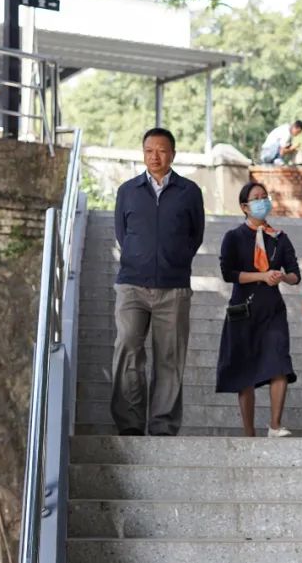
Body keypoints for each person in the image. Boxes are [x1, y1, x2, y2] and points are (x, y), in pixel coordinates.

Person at [110, 127, 205, 436]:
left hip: (173, 287)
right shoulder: (128, 190)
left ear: (172, 154)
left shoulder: (189, 191)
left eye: (161, 150)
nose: (155, 156)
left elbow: (195, 235)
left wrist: (174, 261)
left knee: (169, 357)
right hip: (132, 285)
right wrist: (139, 258)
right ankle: (130, 424)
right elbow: (122, 233)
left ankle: (163, 425)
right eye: (149, 150)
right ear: (143, 154)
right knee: (127, 346)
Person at [216, 182, 300, 437]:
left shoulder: (280, 237)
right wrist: (261, 276)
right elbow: (228, 273)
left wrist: (282, 277)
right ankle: (248, 432)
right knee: (245, 370)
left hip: (272, 310)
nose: (262, 201)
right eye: (256, 198)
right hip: (243, 310)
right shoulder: (233, 237)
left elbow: (295, 274)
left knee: (280, 362)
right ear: (244, 206)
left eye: (265, 196)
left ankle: (275, 424)